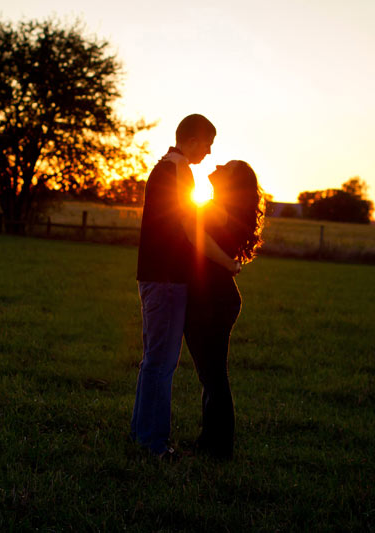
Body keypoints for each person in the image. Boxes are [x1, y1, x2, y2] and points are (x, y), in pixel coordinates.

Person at [130, 114, 241, 459]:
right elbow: (189, 227)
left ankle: (141, 435)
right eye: (207, 144)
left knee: (153, 362)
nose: (209, 152)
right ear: (192, 140)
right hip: (166, 279)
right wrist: (227, 261)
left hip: (153, 276)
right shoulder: (180, 169)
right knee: (162, 364)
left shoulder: (164, 166)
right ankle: (154, 445)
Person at [184, 160, 265, 460]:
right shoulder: (220, 206)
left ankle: (218, 448)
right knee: (212, 375)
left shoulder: (220, 208)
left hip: (213, 301)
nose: (218, 164)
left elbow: (194, 234)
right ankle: (211, 442)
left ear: (233, 181)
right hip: (214, 298)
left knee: (214, 376)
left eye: (227, 166)